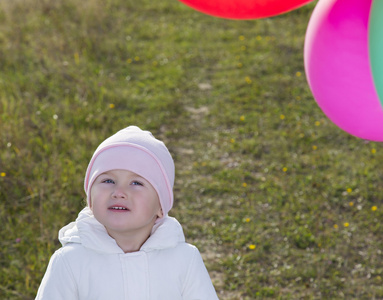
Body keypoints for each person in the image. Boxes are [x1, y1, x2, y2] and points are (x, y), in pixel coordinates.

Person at [36, 126, 219, 300]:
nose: (119, 192)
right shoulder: (70, 261)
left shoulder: (184, 260)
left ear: (161, 206)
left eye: (136, 183)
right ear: (90, 199)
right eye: (108, 180)